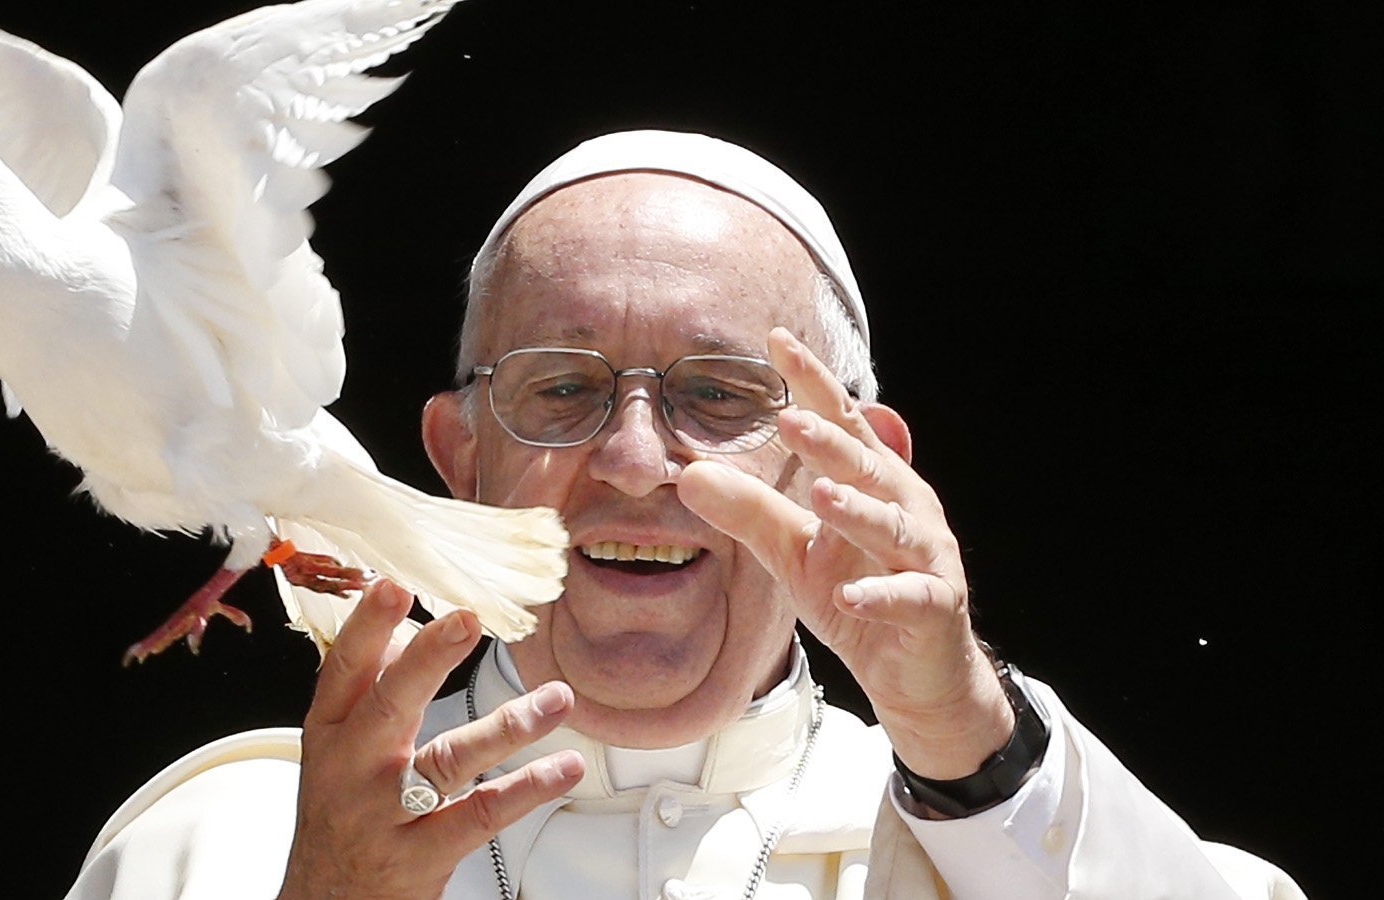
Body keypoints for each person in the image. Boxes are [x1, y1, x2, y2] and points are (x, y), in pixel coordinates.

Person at [69, 130, 1306, 899]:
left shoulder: (994, 841)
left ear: (846, 469)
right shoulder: (238, 842)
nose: (632, 457)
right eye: (560, 387)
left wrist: (969, 735)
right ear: (460, 453)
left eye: (718, 393)